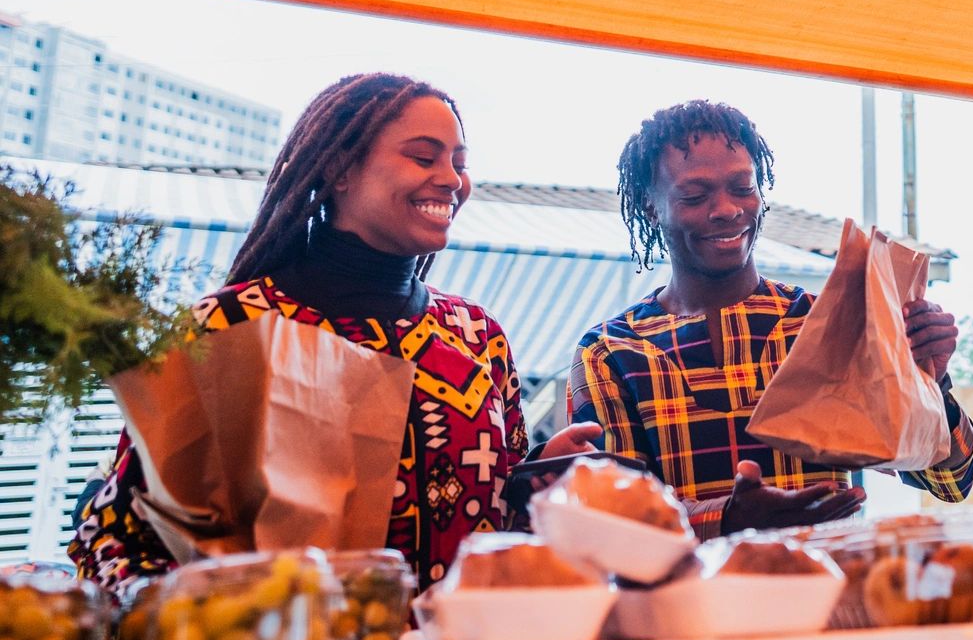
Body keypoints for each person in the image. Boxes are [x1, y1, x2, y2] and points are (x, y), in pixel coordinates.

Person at [70, 74, 600, 588]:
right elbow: (120, 534)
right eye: (423, 156)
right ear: (340, 168)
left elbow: (493, 526)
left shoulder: (477, 336)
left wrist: (537, 478)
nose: (451, 179)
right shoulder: (232, 328)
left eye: (459, 163)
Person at [571, 100, 973, 535]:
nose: (727, 209)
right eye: (694, 195)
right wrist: (724, 520)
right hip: (690, 603)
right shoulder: (611, 352)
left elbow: (951, 482)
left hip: (828, 598)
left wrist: (933, 381)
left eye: (742, 187)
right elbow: (607, 521)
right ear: (651, 208)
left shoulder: (826, 322)